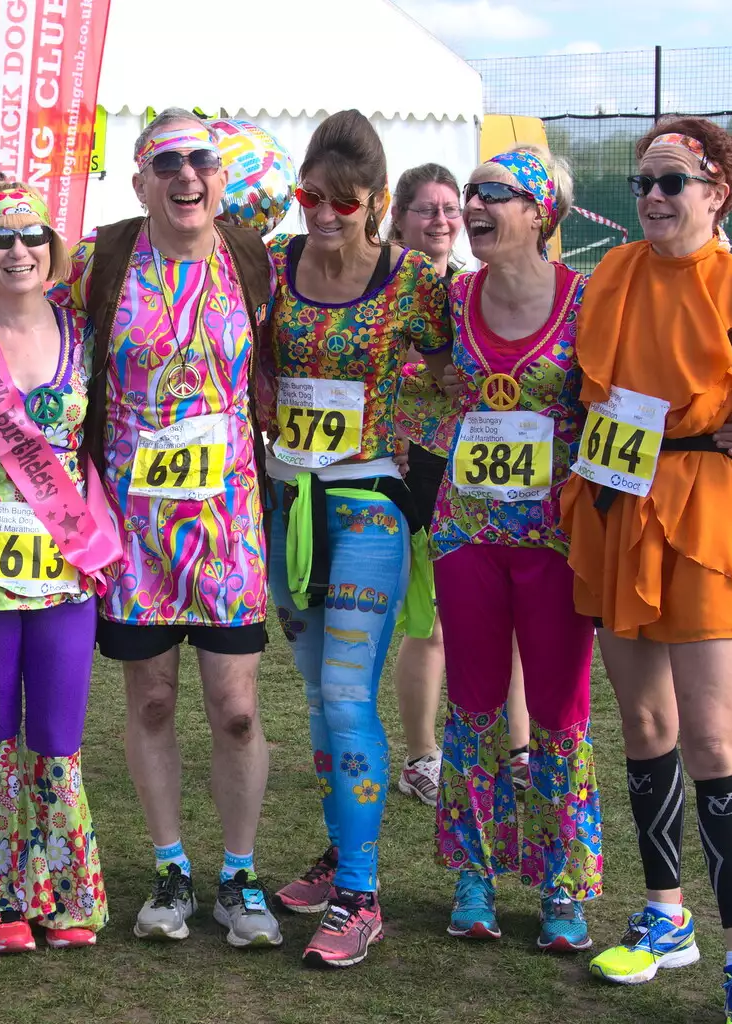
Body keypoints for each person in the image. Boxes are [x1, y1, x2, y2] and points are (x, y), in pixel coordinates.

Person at [562, 118, 732, 1024]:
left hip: (703, 513)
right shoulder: (613, 275)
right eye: (643, 182)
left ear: (717, 192)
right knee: (644, 722)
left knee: (712, 738)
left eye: (673, 181)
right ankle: (666, 916)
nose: (655, 197)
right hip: (618, 504)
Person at [47, 108, 281, 949]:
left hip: (229, 526)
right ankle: (171, 869)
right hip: (133, 530)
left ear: (223, 179)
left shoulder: (253, 258)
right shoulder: (103, 261)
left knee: (238, 709)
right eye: (168, 162)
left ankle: (240, 874)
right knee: (150, 700)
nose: (187, 177)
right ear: (141, 179)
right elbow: (34, 335)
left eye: (202, 162)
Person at [259, 112, 446, 967]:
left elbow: (457, 372)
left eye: (343, 202)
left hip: (368, 503)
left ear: (375, 202)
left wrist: (424, 476)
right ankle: (341, 854)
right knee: (320, 702)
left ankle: (362, 897)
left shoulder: (412, 282)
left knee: (345, 696)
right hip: (288, 504)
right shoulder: (274, 268)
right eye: (310, 197)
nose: (323, 215)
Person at [418, 146, 604, 954]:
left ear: (541, 214)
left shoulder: (588, 301)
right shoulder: (451, 300)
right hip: (467, 533)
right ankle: (474, 872)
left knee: (561, 712)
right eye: (472, 192)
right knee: (473, 704)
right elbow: (408, 379)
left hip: (557, 539)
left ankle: (562, 882)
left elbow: (639, 390)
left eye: (496, 194)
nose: (474, 205)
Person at [0, 182, 119, 953]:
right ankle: (4, 894)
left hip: (63, 559)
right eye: (1, 239)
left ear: (53, 247)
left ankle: (66, 887)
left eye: (32, 237)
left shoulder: (81, 331)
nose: (18, 251)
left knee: (56, 732)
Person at [387, 164, 534, 803]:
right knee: (431, 623)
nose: (444, 219)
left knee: (509, 618)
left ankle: (521, 749)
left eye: (452, 206)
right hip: (412, 463)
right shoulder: (385, 289)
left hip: (482, 467)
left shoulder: (478, 288)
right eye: (427, 209)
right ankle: (423, 755)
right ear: (397, 219)